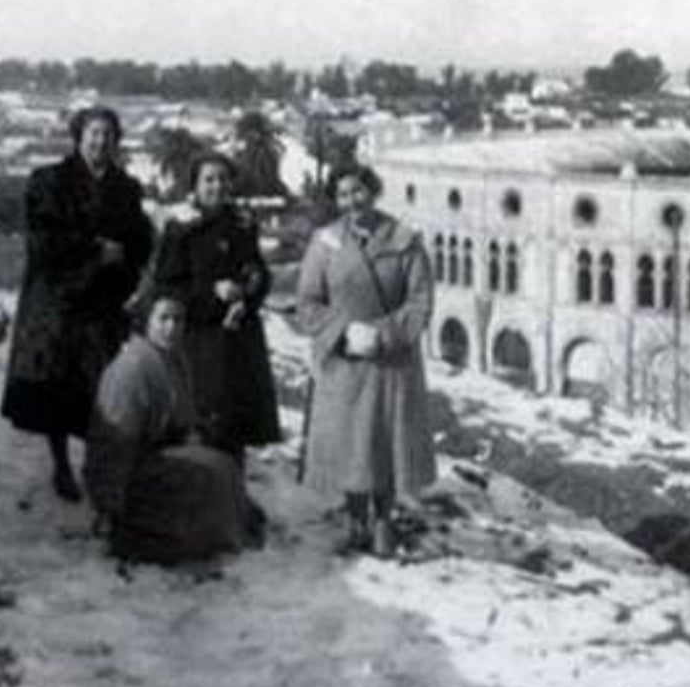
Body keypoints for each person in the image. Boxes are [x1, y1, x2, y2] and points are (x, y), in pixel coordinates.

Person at [1, 106, 153, 501]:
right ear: (78, 136)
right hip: (59, 303)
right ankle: (61, 464)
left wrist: (124, 254)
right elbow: (42, 241)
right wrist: (94, 251)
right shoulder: (49, 181)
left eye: (108, 134)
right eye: (93, 133)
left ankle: (96, 462)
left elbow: (142, 239)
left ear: (116, 141)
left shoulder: (126, 188)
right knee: (57, 385)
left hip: (104, 303)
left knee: (102, 387)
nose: (100, 142)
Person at [295, 162, 436, 558]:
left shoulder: (404, 240)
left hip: (390, 362)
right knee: (350, 443)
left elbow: (421, 300)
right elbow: (306, 302)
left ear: (372, 191)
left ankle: (384, 520)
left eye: (358, 191)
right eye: (342, 195)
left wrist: (385, 334)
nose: (352, 201)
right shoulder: (324, 243)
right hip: (343, 361)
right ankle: (356, 519)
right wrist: (342, 332)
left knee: (385, 440)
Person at [83, 290, 264, 565]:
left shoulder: (173, 358)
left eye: (178, 320)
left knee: (223, 464)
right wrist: (109, 508)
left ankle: (228, 532)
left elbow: (182, 414)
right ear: (146, 321)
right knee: (209, 475)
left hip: (163, 454)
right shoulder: (131, 369)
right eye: (163, 319)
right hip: (132, 474)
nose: (171, 328)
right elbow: (113, 445)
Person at [154, 155, 282, 464]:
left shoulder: (241, 222)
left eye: (223, 179)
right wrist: (211, 292)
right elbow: (168, 285)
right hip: (199, 337)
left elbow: (259, 271)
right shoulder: (180, 227)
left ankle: (234, 496)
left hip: (238, 335)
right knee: (201, 422)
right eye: (209, 179)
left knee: (235, 425)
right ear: (195, 186)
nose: (217, 186)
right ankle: (202, 498)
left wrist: (247, 295)